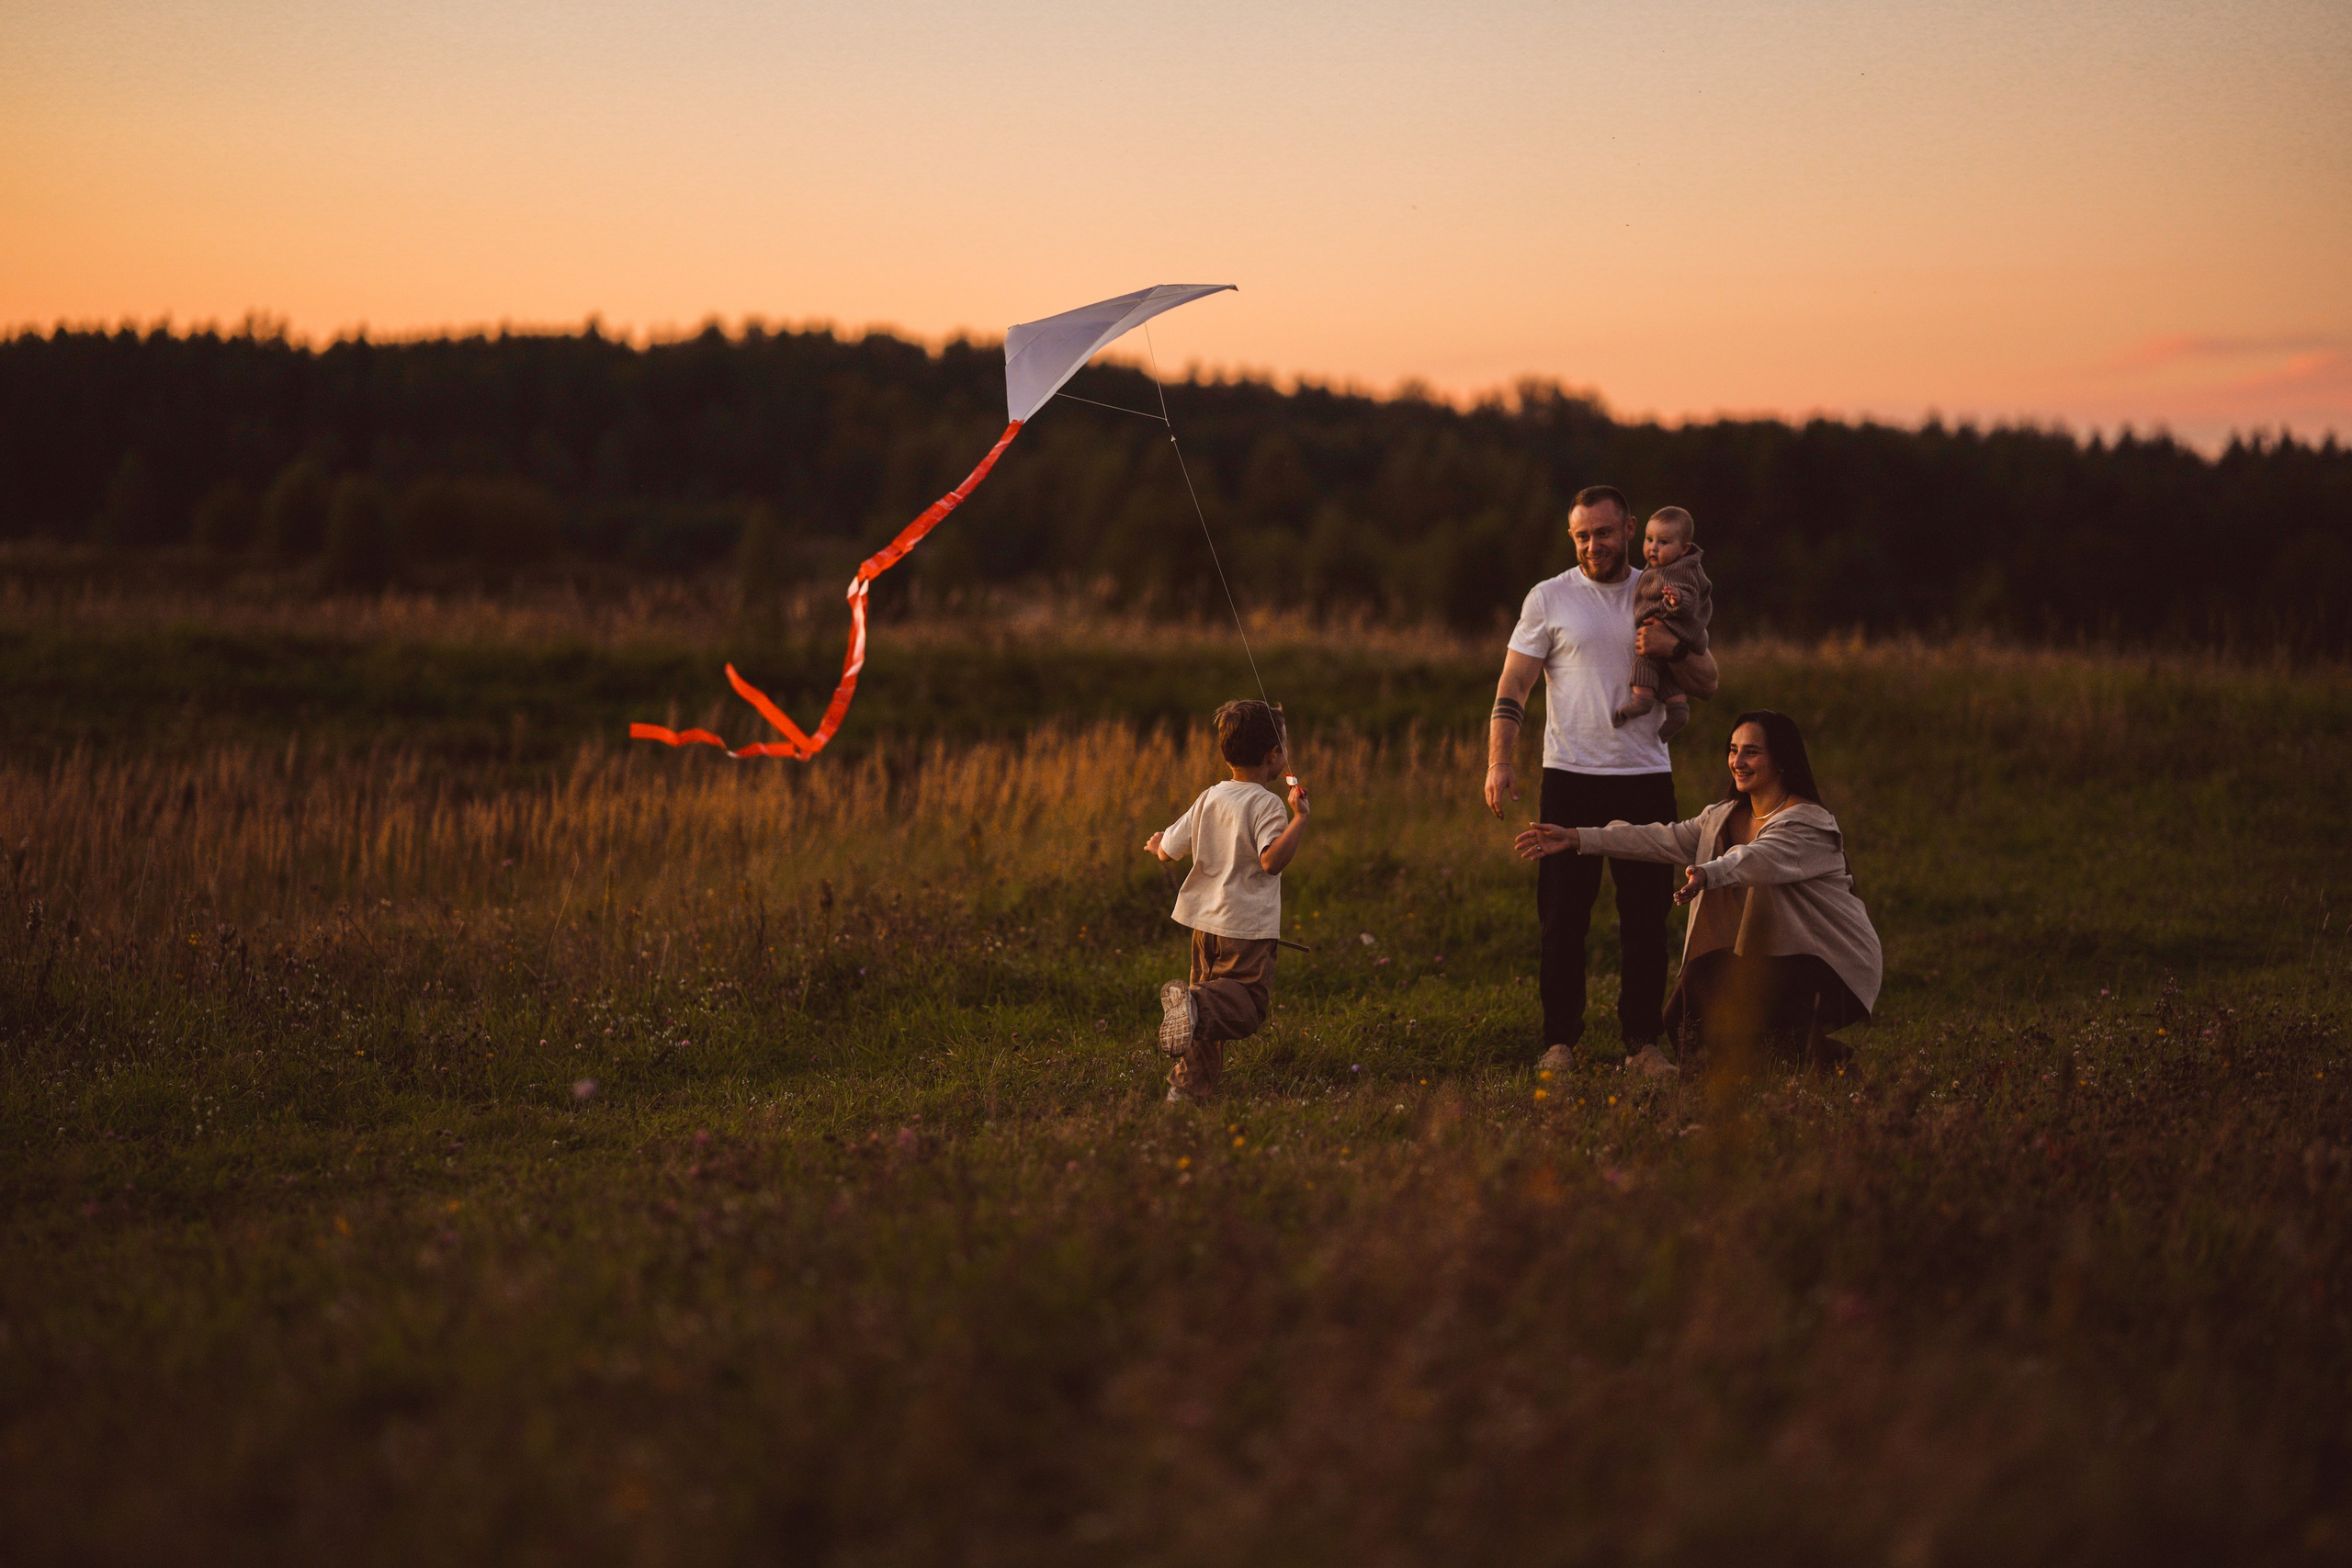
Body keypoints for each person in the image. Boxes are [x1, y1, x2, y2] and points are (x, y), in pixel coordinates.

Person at [1487, 485, 1719, 1074]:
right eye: (1582, 535)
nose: (1594, 545)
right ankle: (1559, 1043)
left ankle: (1643, 1045)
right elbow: (1513, 687)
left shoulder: (1662, 590)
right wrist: (1499, 762)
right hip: (1569, 779)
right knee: (1563, 921)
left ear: (1630, 530)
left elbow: (1708, 680)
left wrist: (1672, 646)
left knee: (1646, 921)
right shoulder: (1549, 598)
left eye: (1605, 533)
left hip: (1645, 779)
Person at [1513, 710, 1882, 1072]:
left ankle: (1803, 1066)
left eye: (1752, 751)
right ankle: (1806, 1062)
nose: (1738, 761)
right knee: (1682, 1017)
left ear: (1782, 759)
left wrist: (1707, 873)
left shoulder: (1808, 823)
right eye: (1733, 750)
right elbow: (1660, 837)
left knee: (1717, 985)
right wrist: (1578, 836)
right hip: (1780, 956)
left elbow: (1756, 858)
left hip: (1832, 967)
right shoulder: (1723, 816)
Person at [1147, 700, 1311, 1104]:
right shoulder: (1268, 804)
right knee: (1246, 1007)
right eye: (1284, 748)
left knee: (1202, 1021)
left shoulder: (1209, 797)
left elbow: (1170, 848)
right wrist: (1300, 820)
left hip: (1204, 927)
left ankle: (1185, 1093)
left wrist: (1156, 848)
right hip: (1246, 929)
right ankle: (1193, 1003)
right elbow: (1271, 861)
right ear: (1273, 757)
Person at [1611, 505, 1712, 740]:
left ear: (1684, 548)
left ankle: (1641, 700)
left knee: (1645, 656)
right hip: (1671, 627)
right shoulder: (1661, 567)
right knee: (1665, 671)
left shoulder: (1679, 571)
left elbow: (1689, 596)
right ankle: (1677, 709)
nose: (1653, 547)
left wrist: (1676, 599)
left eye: (1663, 542)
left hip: (1672, 626)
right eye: (1649, 539)